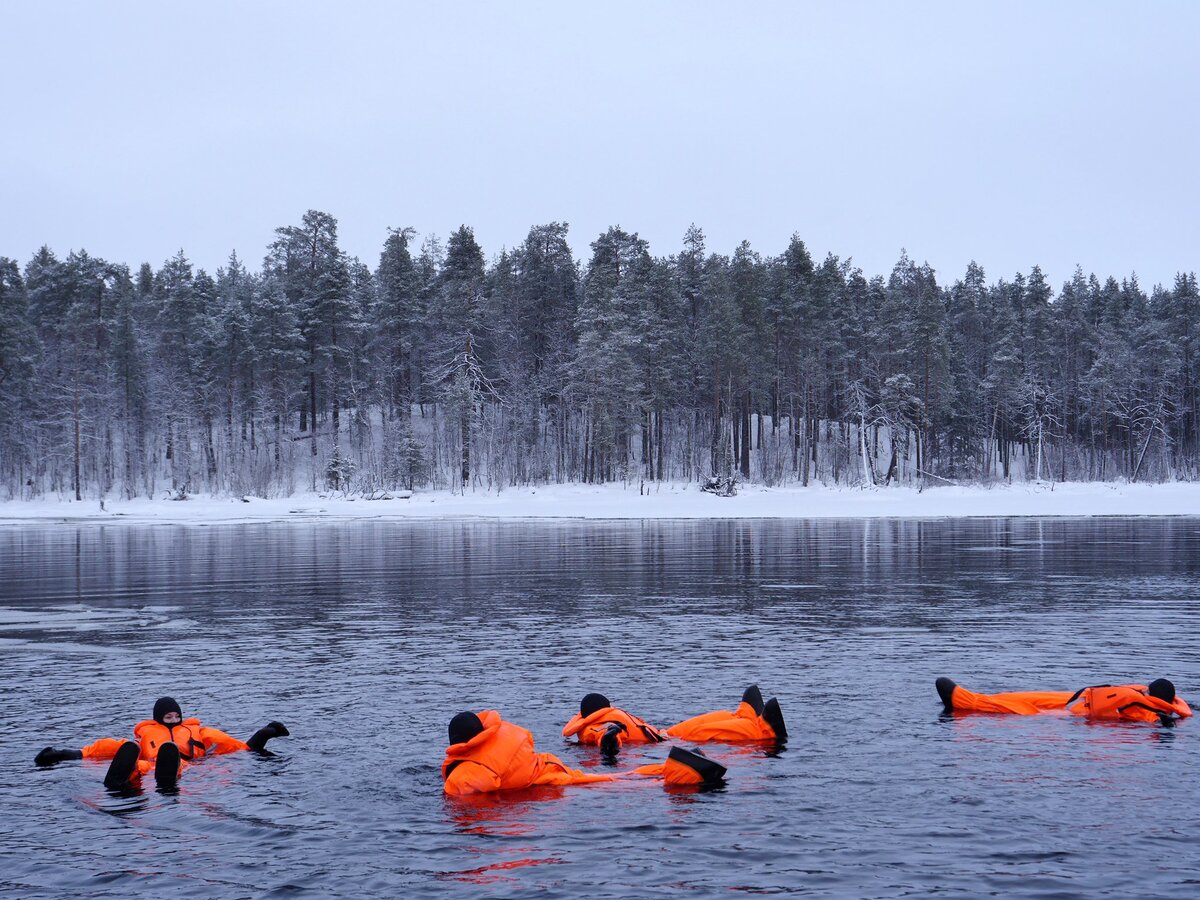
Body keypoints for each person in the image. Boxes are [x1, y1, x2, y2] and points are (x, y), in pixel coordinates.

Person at [34, 696, 289, 789]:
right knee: (132, 757)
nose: (174, 720)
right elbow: (106, 746)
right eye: (168, 717)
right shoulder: (145, 733)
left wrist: (264, 733)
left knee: (174, 763)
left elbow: (233, 744)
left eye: (177, 716)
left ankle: (160, 778)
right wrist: (68, 753)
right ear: (158, 718)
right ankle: (120, 777)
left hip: (184, 764)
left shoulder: (196, 730)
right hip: (150, 762)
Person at [443, 710, 615, 796]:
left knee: (608, 782)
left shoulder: (467, 771)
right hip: (549, 765)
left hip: (545, 785)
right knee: (610, 780)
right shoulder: (502, 736)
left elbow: (474, 789)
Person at [936, 677, 1192, 725]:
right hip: (1076, 699)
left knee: (1025, 710)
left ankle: (964, 702)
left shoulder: (1151, 715)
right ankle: (970, 698)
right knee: (1023, 697)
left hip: (1076, 715)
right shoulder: (1146, 700)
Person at [666, 684, 787, 743]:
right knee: (695, 732)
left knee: (693, 732)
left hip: (664, 736)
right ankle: (763, 730)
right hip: (669, 738)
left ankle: (754, 720)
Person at [561, 692, 665, 756]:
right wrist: (609, 737)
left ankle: (611, 740)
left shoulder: (591, 725)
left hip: (654, 740)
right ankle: (611, 741)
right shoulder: (593, 726)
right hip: (656, 739)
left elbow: (600, 733)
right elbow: (601, 734)